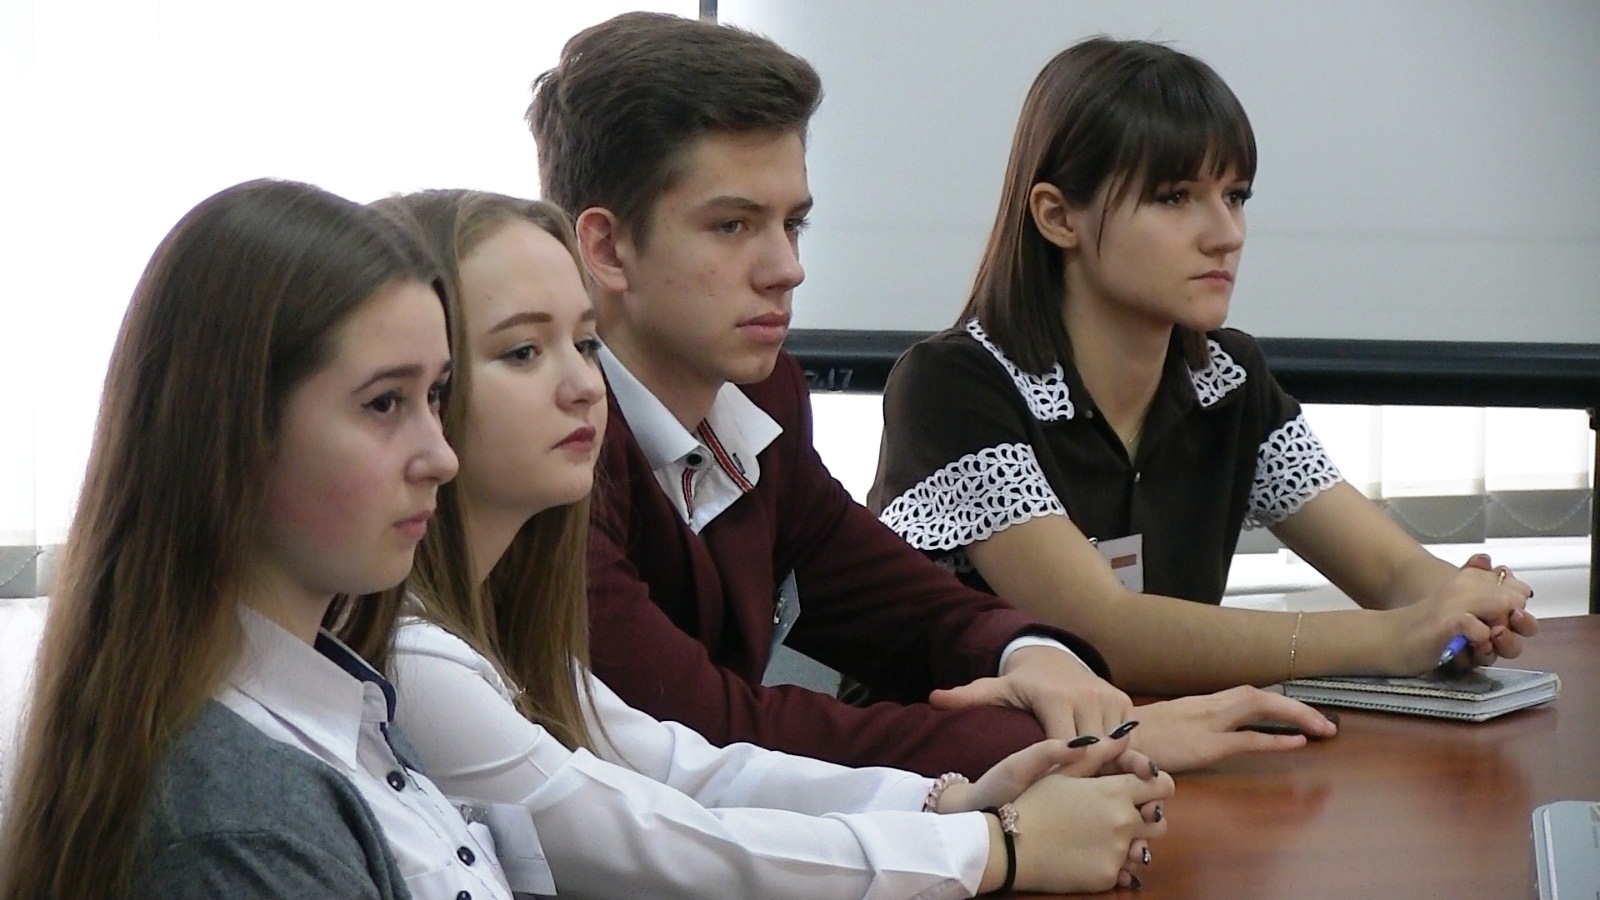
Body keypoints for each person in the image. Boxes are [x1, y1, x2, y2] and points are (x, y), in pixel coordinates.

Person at [528, 11, 1334, 777]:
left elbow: (898, 602)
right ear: (607, 248)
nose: (787, 268)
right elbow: (705, 731)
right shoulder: (546, 446)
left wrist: (1032, 657)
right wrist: (1068, 737)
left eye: (793, 224)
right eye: (733, 226)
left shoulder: (764, 395)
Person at [368, 188, 1174, 896]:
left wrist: (949, 802)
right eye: (521, 352)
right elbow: (651, 841)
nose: (583, 384)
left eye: (584, 344)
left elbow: (683, 767)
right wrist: (997, 844)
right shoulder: (411, 653)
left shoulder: (505, 619)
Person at [869, 37, 1539, 695]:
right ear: (1058, 216)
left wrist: (1466, 605)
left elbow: (1392, 572)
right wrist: (1395, 637)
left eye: (1235, 196)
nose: (1227, 234)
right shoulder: (952, 386)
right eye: (1174, 197)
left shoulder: (1228, 377)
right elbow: (1100, 632)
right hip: (945, 759)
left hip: (1144, 748)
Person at [0, 179, 513, 900]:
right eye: (384, 403)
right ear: (231, 430)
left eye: (435, 395)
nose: (442, 457)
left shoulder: (334, 712)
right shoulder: (237, 822)